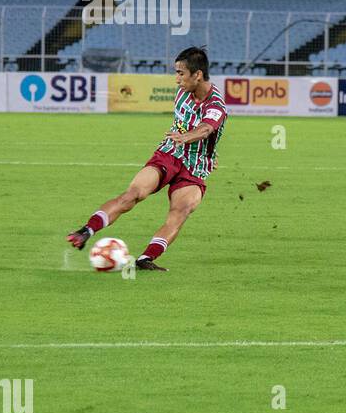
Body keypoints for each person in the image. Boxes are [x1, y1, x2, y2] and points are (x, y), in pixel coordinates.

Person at [66, 47, 227, 271]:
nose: (177, 79)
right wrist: (183, 140)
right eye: (176, 72)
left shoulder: (216, 105)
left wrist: (190, 140)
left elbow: (205, 129)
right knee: (132, 195)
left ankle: (145, 259)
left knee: (179, 213)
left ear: (197, 75)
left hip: (195, 168)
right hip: (169, 154)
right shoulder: (182, 92)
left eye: (181, 73)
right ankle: (85, 231)